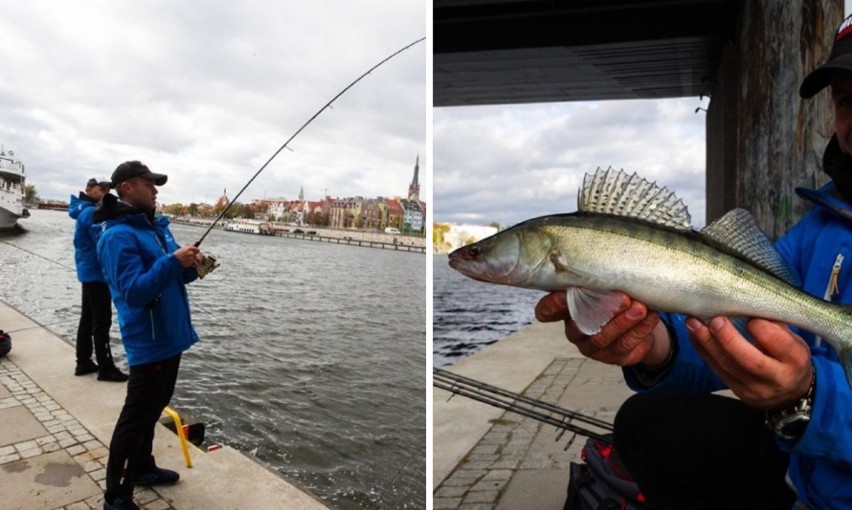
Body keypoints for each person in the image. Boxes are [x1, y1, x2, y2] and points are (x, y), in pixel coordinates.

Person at [536, 16, 852, 510]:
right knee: (645, 421)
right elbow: (734, 322)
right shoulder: (818, 228)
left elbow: (800, 386)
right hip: (803, 473)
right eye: (847, 100)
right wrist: (657, 345)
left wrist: (807, 400)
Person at [94, 161, 205, 510]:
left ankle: (142, 468)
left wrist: (191, 266)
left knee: (153, 409)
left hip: (170, 338)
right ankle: (116, 496)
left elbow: (169, 277)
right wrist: (172, 262)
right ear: (127, 188)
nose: (156, 190)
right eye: (149, 184)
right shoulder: (117, 236)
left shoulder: (153, 228)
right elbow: (133, 292)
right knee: (135, 420)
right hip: (150, 343)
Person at [68, 177, 128, 382]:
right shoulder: (90, 213)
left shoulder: (86, 210)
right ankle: (106, 367)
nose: (105, 192)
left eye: (107, 189)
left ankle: (83, 361)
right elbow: (104, 241)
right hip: (97, 275)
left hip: (89, 272)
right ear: (89, 189)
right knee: (102, 321)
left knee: (87, 318)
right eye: (101, 189)